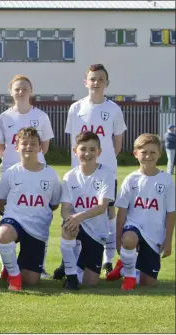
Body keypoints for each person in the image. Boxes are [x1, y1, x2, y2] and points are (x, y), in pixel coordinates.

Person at [64, 64, 127, 276]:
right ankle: (72, 261)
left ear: (106, 83)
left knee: (107, 211)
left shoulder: (114, 109)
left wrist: (104, 163)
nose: (96, 82)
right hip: (79, 171)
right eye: (92, 79)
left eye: (101, 79)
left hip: (105, 169)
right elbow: (74, 141)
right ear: (86, 82)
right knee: (76, 211)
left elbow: (117, 144)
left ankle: (108, 258)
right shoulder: (76, 108)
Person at [0, 74, 55, 278]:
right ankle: (7, 265)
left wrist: (31, 165)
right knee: (7, 218)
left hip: (36, 173)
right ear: (11, 92)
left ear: (31, 91)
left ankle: (39, 265)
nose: (21, 92)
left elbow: (45, 145)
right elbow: (0, 146)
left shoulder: (41, 116)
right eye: (17, 89)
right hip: (11, 173)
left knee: (39, 216)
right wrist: (15, 165)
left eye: (25, 88)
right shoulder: (4, 117)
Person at [0, 127, 62, 291]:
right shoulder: (11, 173)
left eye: (33, 143)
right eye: (24, 143)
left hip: (37, 229)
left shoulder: (51, 175)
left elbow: (54, 203)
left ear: (40, 147)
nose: (29, 147)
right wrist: (13, 213)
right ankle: (13, 275)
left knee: (32, 281)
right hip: (15, 220)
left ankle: (13, 267)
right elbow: (0, 200)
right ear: (17, 147)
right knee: (3, 234)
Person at [107, 134, 175, 290]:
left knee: (148, 283)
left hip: (155, 235)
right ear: (136, 154)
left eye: (152, 152)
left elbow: (171, 213)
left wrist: (168, 240)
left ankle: (124, 267)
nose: (148, 156)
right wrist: (119, 239)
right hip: (134, 228)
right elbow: (122, 212)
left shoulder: (167, 181)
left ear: (160, 154)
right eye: (144, 152)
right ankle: (129, 276)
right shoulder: (131, 179)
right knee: (129, 239)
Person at [57, 131, 115, 290]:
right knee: (67, 228)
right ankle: (71, 276)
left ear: (99, 152)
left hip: (97, 233)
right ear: (75, 151)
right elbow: (65, 210)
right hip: (77, 227)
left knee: (91, 283)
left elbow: (102, 207)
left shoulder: (107, 173)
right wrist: (71, 219)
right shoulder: (70, 176)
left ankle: (74, 266)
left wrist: (78, 217)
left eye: (92, 149)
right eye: (83, 149)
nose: (87, 153)